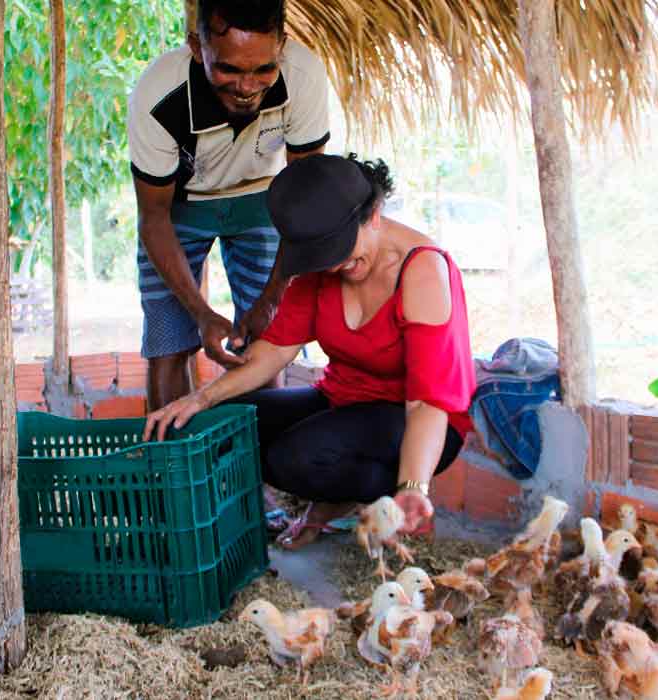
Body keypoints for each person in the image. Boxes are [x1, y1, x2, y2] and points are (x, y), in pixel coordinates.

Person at [144, 154, 476, 549]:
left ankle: (363, 501)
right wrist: (201, 398)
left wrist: (413, 484)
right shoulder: (322, 264)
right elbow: (274, 351)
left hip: (414, 417)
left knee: (293, 459)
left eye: (343, 251)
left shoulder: (422, 272)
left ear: (373, 213)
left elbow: (426, 404)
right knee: (228, 422)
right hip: (341, 401)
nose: (336, 266)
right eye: (325, 257)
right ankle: (230, 525)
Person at [128, 0, 331, 410]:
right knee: (168, 343)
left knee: (261, 340)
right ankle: (171, 466)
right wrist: (201, 312)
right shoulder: (158, 96)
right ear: (197, 49)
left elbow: (304, 196)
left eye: (263, 69)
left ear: (282, 48)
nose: (247, 86)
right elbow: (153, 218)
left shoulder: (303, 76)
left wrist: (273, 297)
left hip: (265, 200)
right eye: (229, 69)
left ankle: (253, 464)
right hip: (179, 208)